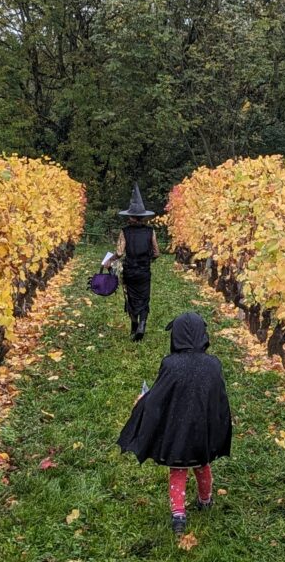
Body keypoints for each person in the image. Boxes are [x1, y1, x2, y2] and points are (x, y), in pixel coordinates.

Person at [117, 312, 233, 537]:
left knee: (178, 469)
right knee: (202, 464)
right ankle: (205, 500)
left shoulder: (171, 364)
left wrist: (143, 402)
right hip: (203, 429)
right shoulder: (213, 364)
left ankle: (178, 514)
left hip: (177, 429)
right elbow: (218, 397)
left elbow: (160, 394)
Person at [103, 184, 159, 340]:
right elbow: (156, 252)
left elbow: (120, 252)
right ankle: (142, 324)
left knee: (131, 298)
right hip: (144, 271)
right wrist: (149, 260)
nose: (128, 218)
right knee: (144, 297)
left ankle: (134, 326)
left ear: (134, 217)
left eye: (130, 216)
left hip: (130, 270)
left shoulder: (125, 231)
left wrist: (110, 259)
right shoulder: (150, 231)